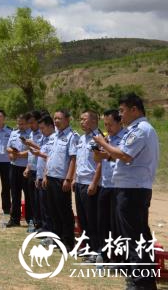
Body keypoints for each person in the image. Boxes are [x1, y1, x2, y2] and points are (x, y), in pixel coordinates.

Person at [92, 94, 159, 288]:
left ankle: (140, 282)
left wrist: (102, 141)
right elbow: (122, 157)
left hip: (133, 191)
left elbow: (125, 155)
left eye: (122, 111)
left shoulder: (141, 130)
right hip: (130, 189)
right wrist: (105, 155)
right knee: (138, 236)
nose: (120, 115)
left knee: (134, 237)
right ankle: (142, 278)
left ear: (134, 110)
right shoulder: (135, 130)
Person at [43, 110, 79, 249]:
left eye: (59, 118)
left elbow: (73, 158)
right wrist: (46, 174)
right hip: (51, 177)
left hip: (62, 179)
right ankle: (56, 239)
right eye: (55, 118)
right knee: (53, 210)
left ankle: (68, 241)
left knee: (64, 210)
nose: (56, 121)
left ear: (67, 119)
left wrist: (69, 179)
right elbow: (49, 157)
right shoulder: (54, 136)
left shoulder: (72, 136)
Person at [93, 109, 125, 264]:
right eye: (105, 124)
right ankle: (103, 254)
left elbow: (120, 158)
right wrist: (97, 150)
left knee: (117, 224)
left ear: (120, 122)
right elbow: (98, 159)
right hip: (105, 185)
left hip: (118, 187)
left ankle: (118, 258)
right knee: (103, 222)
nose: (108, 128)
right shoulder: (107, 138)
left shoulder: (125, 138)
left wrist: (104, 145)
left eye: (110, 124)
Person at [74, 110, 102, 261]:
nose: (81, 122)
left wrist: (94, 182)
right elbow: (79, 160)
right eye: (80, 119)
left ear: (93, 121)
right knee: (82, 218)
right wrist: (74, 179)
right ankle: (87, 247)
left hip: (90, 184)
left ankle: (96, 249)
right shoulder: (81, 138)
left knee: (92, 219)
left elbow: (100, 163)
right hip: (79, 182)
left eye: (84, 119)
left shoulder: (99, 138)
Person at [23, 115, 56, 233]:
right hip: (38, 173)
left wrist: (44, 175)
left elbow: (50, 158)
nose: (41, 131)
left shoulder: (54, 138)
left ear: (50, 126)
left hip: (50, 176)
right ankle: (40, 226)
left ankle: (48, 229)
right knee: (39, 203)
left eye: (43, 128)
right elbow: (41, 157)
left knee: (47, 206)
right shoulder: (44, 138)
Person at [5, 114, 31, 227]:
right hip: (14, 167)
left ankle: (30, 220)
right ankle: (14, 218)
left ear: (28, 123)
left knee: (28, 195)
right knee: (15, 194)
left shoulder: (31, 134)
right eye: (18, 123)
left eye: (22, 124)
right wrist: (12, 153)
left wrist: (19, 155)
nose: (20, 126)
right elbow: (8, 147)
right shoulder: (14, 133)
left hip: (26, 168)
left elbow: (32, 151)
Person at [24, 111, 43, 229]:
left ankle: (41, 224)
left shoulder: (44, 134)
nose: (31, 125)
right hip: (32, 170)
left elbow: (45, 151)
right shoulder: (31, 133)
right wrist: (27, 167)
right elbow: (31, 154)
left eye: (32, 122)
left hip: (40, 171)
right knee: (32, 199)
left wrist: (33, 144)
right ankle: (35, 223)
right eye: (29, 123)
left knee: (39, 200)